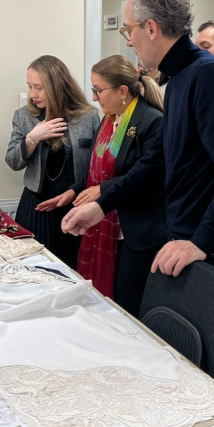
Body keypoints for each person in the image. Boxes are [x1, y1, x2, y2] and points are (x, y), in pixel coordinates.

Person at [62, 0, 214, 280]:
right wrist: (102, 205)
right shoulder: (178, 78)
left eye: (129, 29)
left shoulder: (209, 76)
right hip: (182, 236)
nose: (128, 40)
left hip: (207, 245)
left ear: (151, 28)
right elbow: (158, 161)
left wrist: (201, 241)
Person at [53, 55, 166, 315]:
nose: (94, 98)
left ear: (122, 91)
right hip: (106, 222)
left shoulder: (152, 121)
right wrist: (75, 189)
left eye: (98, 90)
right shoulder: (110, 119)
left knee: (125, 306)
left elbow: (149, 179)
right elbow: (100, 170)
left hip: (135, 230)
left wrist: (103, 191)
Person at [5, 55, 100, 269]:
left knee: (73, 271)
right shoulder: (23, 117)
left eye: (38, 87)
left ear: (56, 86)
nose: (32, 94)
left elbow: (97, 166)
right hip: (36, 208)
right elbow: (13, 161)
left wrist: (76, 191)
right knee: (32, 270)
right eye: (30, 86)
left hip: (76, 206)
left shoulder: (89, 117)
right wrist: (32, 138)